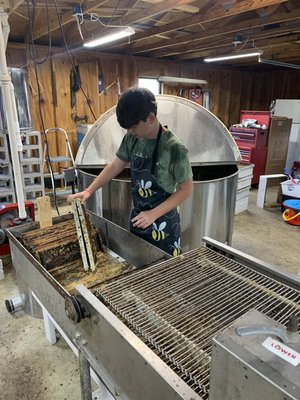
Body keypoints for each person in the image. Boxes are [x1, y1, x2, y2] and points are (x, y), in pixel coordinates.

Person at [68, 88, 193, 256]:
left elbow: (186, 190)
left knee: (164, 273)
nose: (130, 132)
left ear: (151, 118)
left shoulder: (174, 147)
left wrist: (153, 214)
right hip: (139, 218)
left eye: (133, 127)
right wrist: (89, 190)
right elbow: (116, 165)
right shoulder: (132, 138)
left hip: (164, 223)